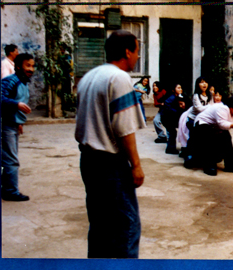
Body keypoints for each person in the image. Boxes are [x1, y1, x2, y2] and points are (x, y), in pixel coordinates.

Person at [75, 30, 146, 259]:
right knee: (127, 226)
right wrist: (135, 165)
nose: (137, 57)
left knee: (99, 225)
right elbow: (124, 128)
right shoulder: (119, 78)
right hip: (110, 165)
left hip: (88, 160)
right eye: (137, 51)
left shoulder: (89, 77)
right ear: (127, 52)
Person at [0, 53, 35, 201]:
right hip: (6, 124)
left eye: (33, 66)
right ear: (19, 66)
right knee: (11, 159)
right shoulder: (11, 81)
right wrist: (17, 105)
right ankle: (10, 192)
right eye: (28, 66)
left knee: (9, 158)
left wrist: (19, 122)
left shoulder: (23, 82)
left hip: (14, 124)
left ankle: (5, 188)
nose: (31, 69)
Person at [184, 96, 233, 176]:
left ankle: (231, 165)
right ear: (230, 106)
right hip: (202, 123)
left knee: (226, 137)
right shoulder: (222, 108)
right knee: (209, 136)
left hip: (215, 126)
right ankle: (209, 165)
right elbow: (222, 124)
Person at [160, 83, 185, 154]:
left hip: (170, 118)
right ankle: (170, 149)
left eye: (181, 88)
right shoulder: (172, 97)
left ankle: (171, 148)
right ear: (174, 90)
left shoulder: (177, 97)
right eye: (178, 88)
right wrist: (177, 110)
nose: (180, 89)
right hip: (166, 118)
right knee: (172, 132)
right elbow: (167, 106)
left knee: (173, 132)